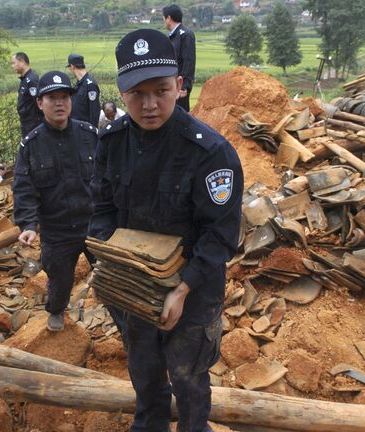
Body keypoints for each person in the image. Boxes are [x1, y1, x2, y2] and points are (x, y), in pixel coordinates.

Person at [89, 29, 243, 432]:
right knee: (145, 374)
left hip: (194, 289)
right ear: (122, 94)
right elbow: (101, 208)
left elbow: (221, 235)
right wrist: (112, 267)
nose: (150, 104)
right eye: (137, 94)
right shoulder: (112, 141)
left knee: (189, 379)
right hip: (136, 287)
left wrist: (182, 289)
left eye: (160, 90)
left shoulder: (210, 152)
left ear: (179, 85)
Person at [13, 71, 98, 332]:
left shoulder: (89, 135)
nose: (59, 103)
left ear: (71, 102)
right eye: (52, 98)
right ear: (40, 103)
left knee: (113, 278)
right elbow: (24, 188)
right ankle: (57, 310)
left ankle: (126, 324)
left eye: (64, 97)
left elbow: (109, 179)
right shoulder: (31, 145)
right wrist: (28, 224)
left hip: (94, 226)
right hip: (57, 231)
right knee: (60, 281)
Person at [163, 4, 196, 112]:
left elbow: (189, 60)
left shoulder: (185, 34)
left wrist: (185, 86)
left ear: (168, 18)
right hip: (172, 83)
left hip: (180, 86)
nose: (164, 21)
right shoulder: (173, 36)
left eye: (164, 18)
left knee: (180, 115)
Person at [12, 52, 43, 138]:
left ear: (22, 62)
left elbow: (38, 102)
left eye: (14, 63)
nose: (12, 66)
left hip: (33, 124)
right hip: (26, 123)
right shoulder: (24, 80)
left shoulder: (31, 80)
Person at [66, 54, 100, 126]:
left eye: (69, 67)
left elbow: (94, 111)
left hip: (85, 129)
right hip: (76, 127)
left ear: (72, 66)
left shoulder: (90, 85)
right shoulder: (78, 84)